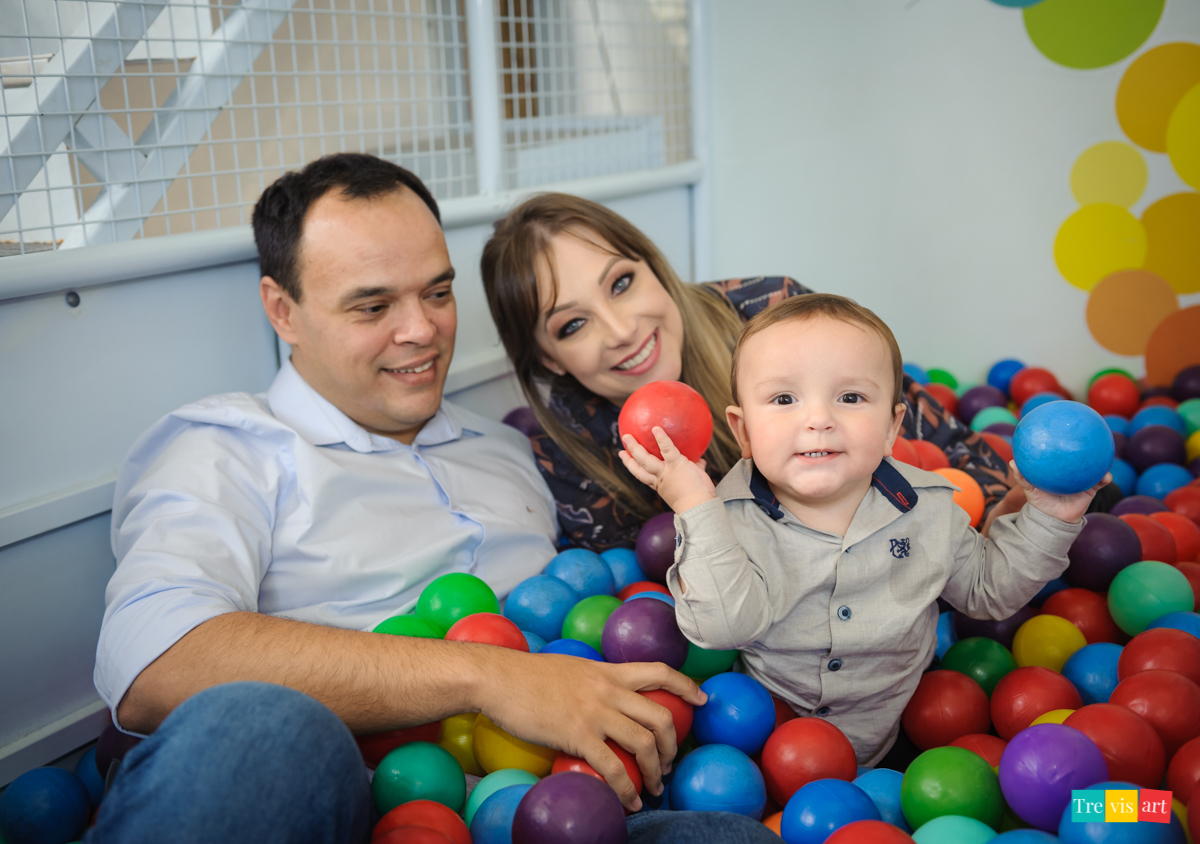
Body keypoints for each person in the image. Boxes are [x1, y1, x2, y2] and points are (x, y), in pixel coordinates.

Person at [85, 153, 779, 843]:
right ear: (283, 310)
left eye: (438, 293)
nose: (420, 330)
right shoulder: (226, 448)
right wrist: (492, 677)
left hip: (578, 802)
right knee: (264, 730)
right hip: (362, 800)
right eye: (373, 305)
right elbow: (154, 664)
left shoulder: (514, 453)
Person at [617, 293, 1108, 767]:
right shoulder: (725, 517)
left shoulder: (929, 509)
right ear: (743, 431)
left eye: (850, 397)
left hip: (901, 744)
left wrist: (1051, 515)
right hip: (755, 745)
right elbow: (724, 628)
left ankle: (1152, 810)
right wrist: (693, 506)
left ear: (893, 427)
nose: (818, 420)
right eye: (784, 398)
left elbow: (988, 592)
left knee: (1109, 803)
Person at [480, 194, 1022, 553]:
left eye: (621, 283)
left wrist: (1015, 515)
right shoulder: (570, 450)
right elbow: (647, 594)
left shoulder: (773, 313)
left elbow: (947, 450)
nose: (621, 330)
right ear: (549, 358)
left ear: (654, 266)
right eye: (573, 324)